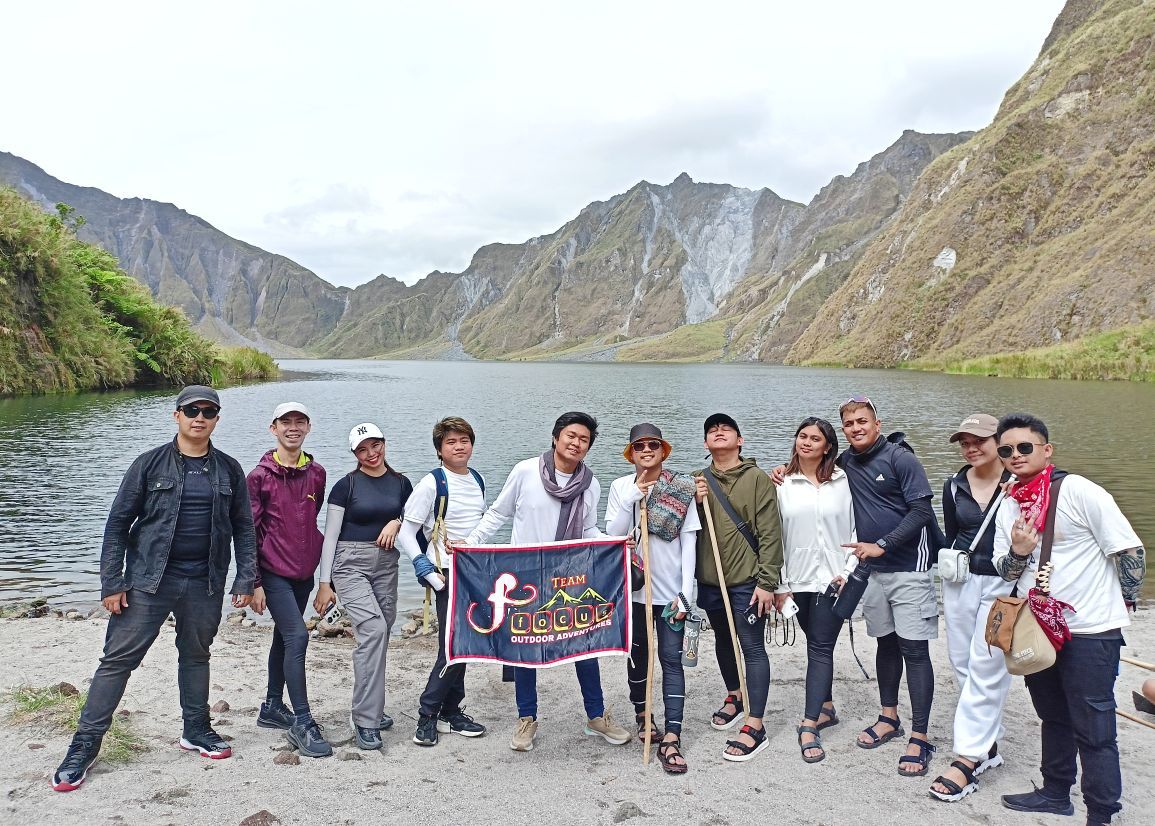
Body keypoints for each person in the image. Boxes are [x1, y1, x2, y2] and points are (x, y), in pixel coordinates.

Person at [52, 386, 256, 792]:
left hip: (205, 582)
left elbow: (244, 528)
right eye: (191, 410)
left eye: (208, 411)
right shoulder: (148, 465)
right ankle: (84, 747)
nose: (199, 417)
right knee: (117, 661)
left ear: (217, 418)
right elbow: (117, 523)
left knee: (196, 656)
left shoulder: (229, 470)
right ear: (176, 415)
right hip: (147, 581)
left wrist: (245, 578)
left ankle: (196, 730)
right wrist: (112, 581)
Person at [992, 413, 1145, 826]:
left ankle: (1101, 813)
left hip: (1090, 630)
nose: (1015, 455)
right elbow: (1005, 572)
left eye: (1024, 447)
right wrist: (1021, 550)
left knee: (1094, 725)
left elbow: (1129, 551)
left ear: (1046, 450)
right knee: (1052, 714)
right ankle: (1056, 792)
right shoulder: (1009, 502)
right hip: (1038, 630)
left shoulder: (1078, 491)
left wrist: (1124, 604)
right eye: (1006, 450)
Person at [465, 412, 632, 752]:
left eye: (584, 439)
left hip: (570, 576)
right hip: (524, 576)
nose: (576, 443)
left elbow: (586, 531)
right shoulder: (526, 471)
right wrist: (469, 546)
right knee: (525, 646)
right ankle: (527, 717)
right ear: (556, 437)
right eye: (571, 435)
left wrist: (613, 545)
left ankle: (596, 715)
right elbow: (498, 513)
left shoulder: (590, 485)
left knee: (585, 643)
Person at [836, 396, 939, 778]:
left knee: (914, 649)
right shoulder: (845, 462)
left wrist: (883, 545)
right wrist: (783, 470)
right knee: (885, 643)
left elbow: (922, 512)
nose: (856, 428)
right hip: (872, 572)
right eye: (849, 424)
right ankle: (888, 716)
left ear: (877, 424)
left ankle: (921, 734)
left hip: (909, 568)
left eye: (863, 421)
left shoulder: (900, 458)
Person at [605, 423, 699, 773]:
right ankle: (644, 717)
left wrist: (685, 594)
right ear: (631, 453)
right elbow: (611, 535)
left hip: (671, 592)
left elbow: (689, 543)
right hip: (634, 591)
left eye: (653, 445)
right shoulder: (619, 487)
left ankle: (673, 736)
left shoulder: (682, 487)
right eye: (639, 446)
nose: (646, 450)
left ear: (663, 451)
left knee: (672, 661)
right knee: (639, 659)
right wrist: (634, 497)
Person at [929, 414, 1013, 801]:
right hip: (960, 581)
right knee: (961, 660)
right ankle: (986, 744)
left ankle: (968, 756)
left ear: (999, 441)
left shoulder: (1017, 483)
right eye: (964, 442)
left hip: (1002, 582)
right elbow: (952, 532)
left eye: (979, 440)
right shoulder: (954, 483)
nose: (972, 448)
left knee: (989, 661)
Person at [313, 423, 412, 750]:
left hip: (387, 564)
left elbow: (414, 520)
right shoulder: (346, 486)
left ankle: (372, 704)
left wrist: (398, 521)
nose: (371, 454)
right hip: (349, 563)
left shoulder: (401, 484)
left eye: (375, 446)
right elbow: (330, 537)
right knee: (372, 629)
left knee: (382, 634)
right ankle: (366, 720)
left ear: (384, 443)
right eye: (363, 449)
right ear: (355, 454)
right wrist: (324, 583)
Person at [693, 413, 784, 762]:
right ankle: (735, 694)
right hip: (711, 579)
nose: (718, 432)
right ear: (705, 444)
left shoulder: (757, 479)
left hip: (748, 582)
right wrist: (692, 502)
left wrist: (767, 583)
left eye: (725, 429)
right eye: (712, 431)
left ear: (740, 440)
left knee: (751, 646)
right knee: (721, 639)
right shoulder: (697, 481)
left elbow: (771, 533)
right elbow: (680, 530)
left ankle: (755, 724)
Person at [397, 416, 488, 747]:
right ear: (439, 449)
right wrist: (426, 569)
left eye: (464, 440)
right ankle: (427, 714)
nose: (459, 446)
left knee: (467, 644)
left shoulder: (476, 479)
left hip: (475, 572)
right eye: (451, 442)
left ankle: (451, 710)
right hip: (445, 574)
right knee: (452, 646)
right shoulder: (432, 484)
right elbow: (408, 531)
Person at [246, 402, 330, 758]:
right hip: (273, 572)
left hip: (304, 573)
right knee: (298, 635)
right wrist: (253, 582)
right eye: (285, 423)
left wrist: (324, 576)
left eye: (299, 422)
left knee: (284, 636)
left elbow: (312, 520)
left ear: (308, 427)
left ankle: (270, 706)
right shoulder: (258, 477)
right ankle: (302, 720)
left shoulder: (317, 474)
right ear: (273, 428)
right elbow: (247, 531)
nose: (292, 428)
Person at [775, 417, 857, 764]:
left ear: (828, 446)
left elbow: (857, 526)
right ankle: (826, 706)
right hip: (796, 579)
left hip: (834, 580)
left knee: (821, 647)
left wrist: (849, 571)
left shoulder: (844, 480)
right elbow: (773, 536)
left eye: (815, 438)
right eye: (802, 436)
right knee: (815, 642)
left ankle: (809, 726)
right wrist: (779, 585)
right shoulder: (781, 483)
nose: (807, 442)